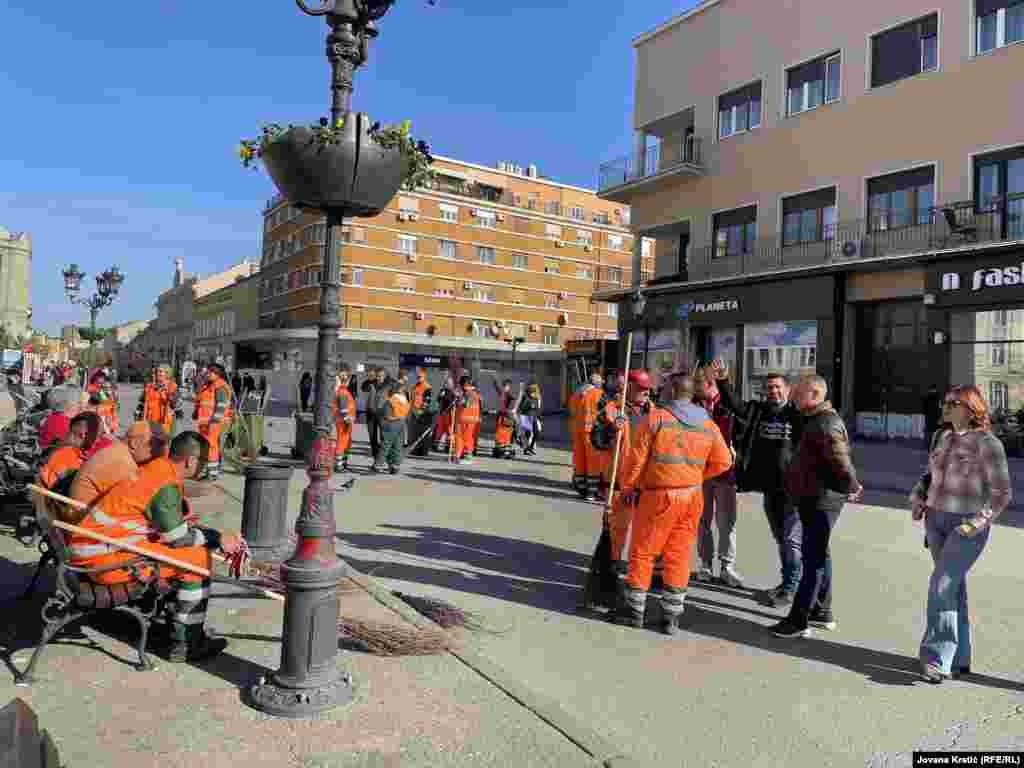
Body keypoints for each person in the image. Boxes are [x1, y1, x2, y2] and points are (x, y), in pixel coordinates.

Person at [66, 431, 240, 662]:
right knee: (197, 560)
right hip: (101, 560)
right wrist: (218, 539)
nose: (205, 468)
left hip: (93, 547)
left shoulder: (158, 469)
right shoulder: (164, 482)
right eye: (204, 462)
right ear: (190, 461)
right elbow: (177, 538)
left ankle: (178, 624)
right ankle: (186, 643)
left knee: (190, 552)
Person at [616, 371, 733, 634]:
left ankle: (634, 610)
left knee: (644, 551)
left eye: (664, 387)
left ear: (671, 391)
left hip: (659, 496)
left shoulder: (656, 419)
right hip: (692, 496)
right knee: (678, 555)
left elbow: (636, 461)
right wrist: (696, 476)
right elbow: (724, 461)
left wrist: (628, 488)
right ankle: (671, 617)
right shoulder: (707, 424)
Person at [910, 385, 1010, 683]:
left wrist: (977, 523)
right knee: (953, 589)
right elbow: (930, 475)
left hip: (966, 525)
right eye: (946, 402)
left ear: (971, 408)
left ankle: (936, 659)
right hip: (936, 520)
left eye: (954, 403)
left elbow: (1001, 493)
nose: (946, 406)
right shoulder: (941, 437)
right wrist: (918, 498)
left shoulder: (987, 443)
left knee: (942, 585)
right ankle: (959, 659)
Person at [773, 376, 862, 639]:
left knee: (813, 558)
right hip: (814, 496)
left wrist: (852, 485)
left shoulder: (826, 422)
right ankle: (822, 612)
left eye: (798, 392)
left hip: (821, 499)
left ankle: (798, 620)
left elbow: (840, 460)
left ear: (815, 393)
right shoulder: (814, 418)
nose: (793, 397)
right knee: (820, 553)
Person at [711, 361, 804, 607]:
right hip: (770, 489)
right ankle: (787, 583)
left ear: (788, 389)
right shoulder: (757, 411)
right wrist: (723, 381)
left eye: (777, 387)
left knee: (791, 541)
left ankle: (791, 588)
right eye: (769, 388)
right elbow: (734, 404)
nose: (773, 392)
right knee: (780, 538)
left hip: (793, 490)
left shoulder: (798, 415)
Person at [691, 364, 743, 588]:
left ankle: (726, 566)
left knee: (726, 522)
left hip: (725, 471)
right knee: (702, 520)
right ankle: (704, 564)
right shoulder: (693, 405)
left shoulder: (728, 404)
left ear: (709, 384)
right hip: (700, 472)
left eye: (698, 385)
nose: (695, 389)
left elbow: (742, 427)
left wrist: (737, 450)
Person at [193, 363, 233, 481]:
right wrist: (196, 412)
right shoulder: (208, 385)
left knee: (211, 447)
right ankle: (209, 471)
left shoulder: (220, 386)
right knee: (206, 447)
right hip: (205, 423)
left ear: (216, 374)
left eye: (210, 372)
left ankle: (212, 474)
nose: (207, 374)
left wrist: (214, 422)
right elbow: (201, 400)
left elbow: (221, 406)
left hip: (214, 422)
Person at [571, 372, 605, 500]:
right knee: (593, 462)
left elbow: (572, 410)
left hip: (577, 430)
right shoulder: (598, 394)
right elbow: (604, 411)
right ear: (597, 383)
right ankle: (591, 492)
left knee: (580, 460)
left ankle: (582, 488)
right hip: (592, 431)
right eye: (601, 383)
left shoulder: (577, 393)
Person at [373, 380, 409, 474]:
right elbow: (386, 414)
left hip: (397, 423)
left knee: (395, 445)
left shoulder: (402, 398)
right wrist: (395, 419)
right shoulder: (393, 399)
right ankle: (383, 464)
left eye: (403, 387)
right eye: (401, 387)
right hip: (394, 423)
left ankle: (392, 465)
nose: (403, 389)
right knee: (389, 445)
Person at [137, 364, 181, 436]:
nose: (158, 373)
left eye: (161, 372)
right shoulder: (149, 386)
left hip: (164, 423)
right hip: (149, 422)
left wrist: (168, 394)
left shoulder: (172, 386)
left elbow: (176, 405)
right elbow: (141, 403)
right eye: (158, 371)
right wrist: (138, 416)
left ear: (167, 373)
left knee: (162, 445)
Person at [453, 375, 482, 464]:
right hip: (468, 419)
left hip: (466, 419)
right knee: (464, 437)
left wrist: (458, 398)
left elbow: (465, 403)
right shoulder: (475, 393)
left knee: (465, 438)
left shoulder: (468, 392)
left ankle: (466, 456)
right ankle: (459, 455)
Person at [333, 366, 356, 472]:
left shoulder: (341, 390)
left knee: (345, 441)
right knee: (342, 442)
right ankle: (339, 465)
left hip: (343, 420)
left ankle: (341, 463)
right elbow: (343, 409)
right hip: (344, 421)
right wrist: (347, 418)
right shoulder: (342, 391)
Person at [408, 368, 434, 458]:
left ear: (424, 376)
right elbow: (412, 398)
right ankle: (415, 449)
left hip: (421, 413)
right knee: (414, 432)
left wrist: (420, 411)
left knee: (420, 432)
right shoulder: (416, 386)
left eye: (420, 377)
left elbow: (427, 402)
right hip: (414, 411)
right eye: (417, 377)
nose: (418, 378)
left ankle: (422, 451)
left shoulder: (427, 387)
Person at [492, 378, 520, 459]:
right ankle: (500, 448)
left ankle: (506, 448)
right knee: (500, 433)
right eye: (504, 385)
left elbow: (514, 401)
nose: (504, 387)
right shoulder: (502, 393)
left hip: (507, 417)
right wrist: (495, 381)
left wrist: (511, 410)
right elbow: (497, 388)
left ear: (509, 387)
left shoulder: (509, 394)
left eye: (506, 386)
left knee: (506, 433)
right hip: (501, 416)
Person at [361, 367, 386, 458]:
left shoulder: (388, 386)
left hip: (382, 415)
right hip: (370, 414)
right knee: (372, 437)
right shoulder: (370, 384)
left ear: (384, 376)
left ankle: (382, 456)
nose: (379, 378)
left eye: (381, 376)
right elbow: (363, 387)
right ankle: (376, 456)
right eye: (378, 376)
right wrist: (370, 379)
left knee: (383, 437)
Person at [432, 376, 457, 454]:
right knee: (439, 430)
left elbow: (452, 401)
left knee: (449, 431)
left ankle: (449, 446)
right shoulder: (443, 391)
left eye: (448, 383)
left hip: (450, 413)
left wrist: (446, 396)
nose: (446, 384)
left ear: (452, 384)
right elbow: (438, 399)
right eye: (446, 382)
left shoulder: (453, 392)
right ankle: (435, 445)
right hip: (442, 413)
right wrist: (440, 395)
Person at [518, 383, 543, 456]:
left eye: (534, 391)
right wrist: (529, 406)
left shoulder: (536, 398)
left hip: (534, 417)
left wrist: (540, 419)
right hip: (526, 416)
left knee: (537, 433)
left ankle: (530, 447)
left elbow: (538, 410)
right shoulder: (525, 397)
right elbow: (521, 407)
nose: (533, 393)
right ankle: (527, 449)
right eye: (532, 391)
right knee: (528, 434)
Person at [922, 385, 942, 451]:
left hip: (929, 417)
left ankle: (929, 447)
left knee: (929, 432)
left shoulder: (926, 398)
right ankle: (934, 447)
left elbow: (924, 409)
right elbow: (940, 408)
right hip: (935, 417)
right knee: (935, 433)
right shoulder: (938, 398)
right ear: (935, 389)